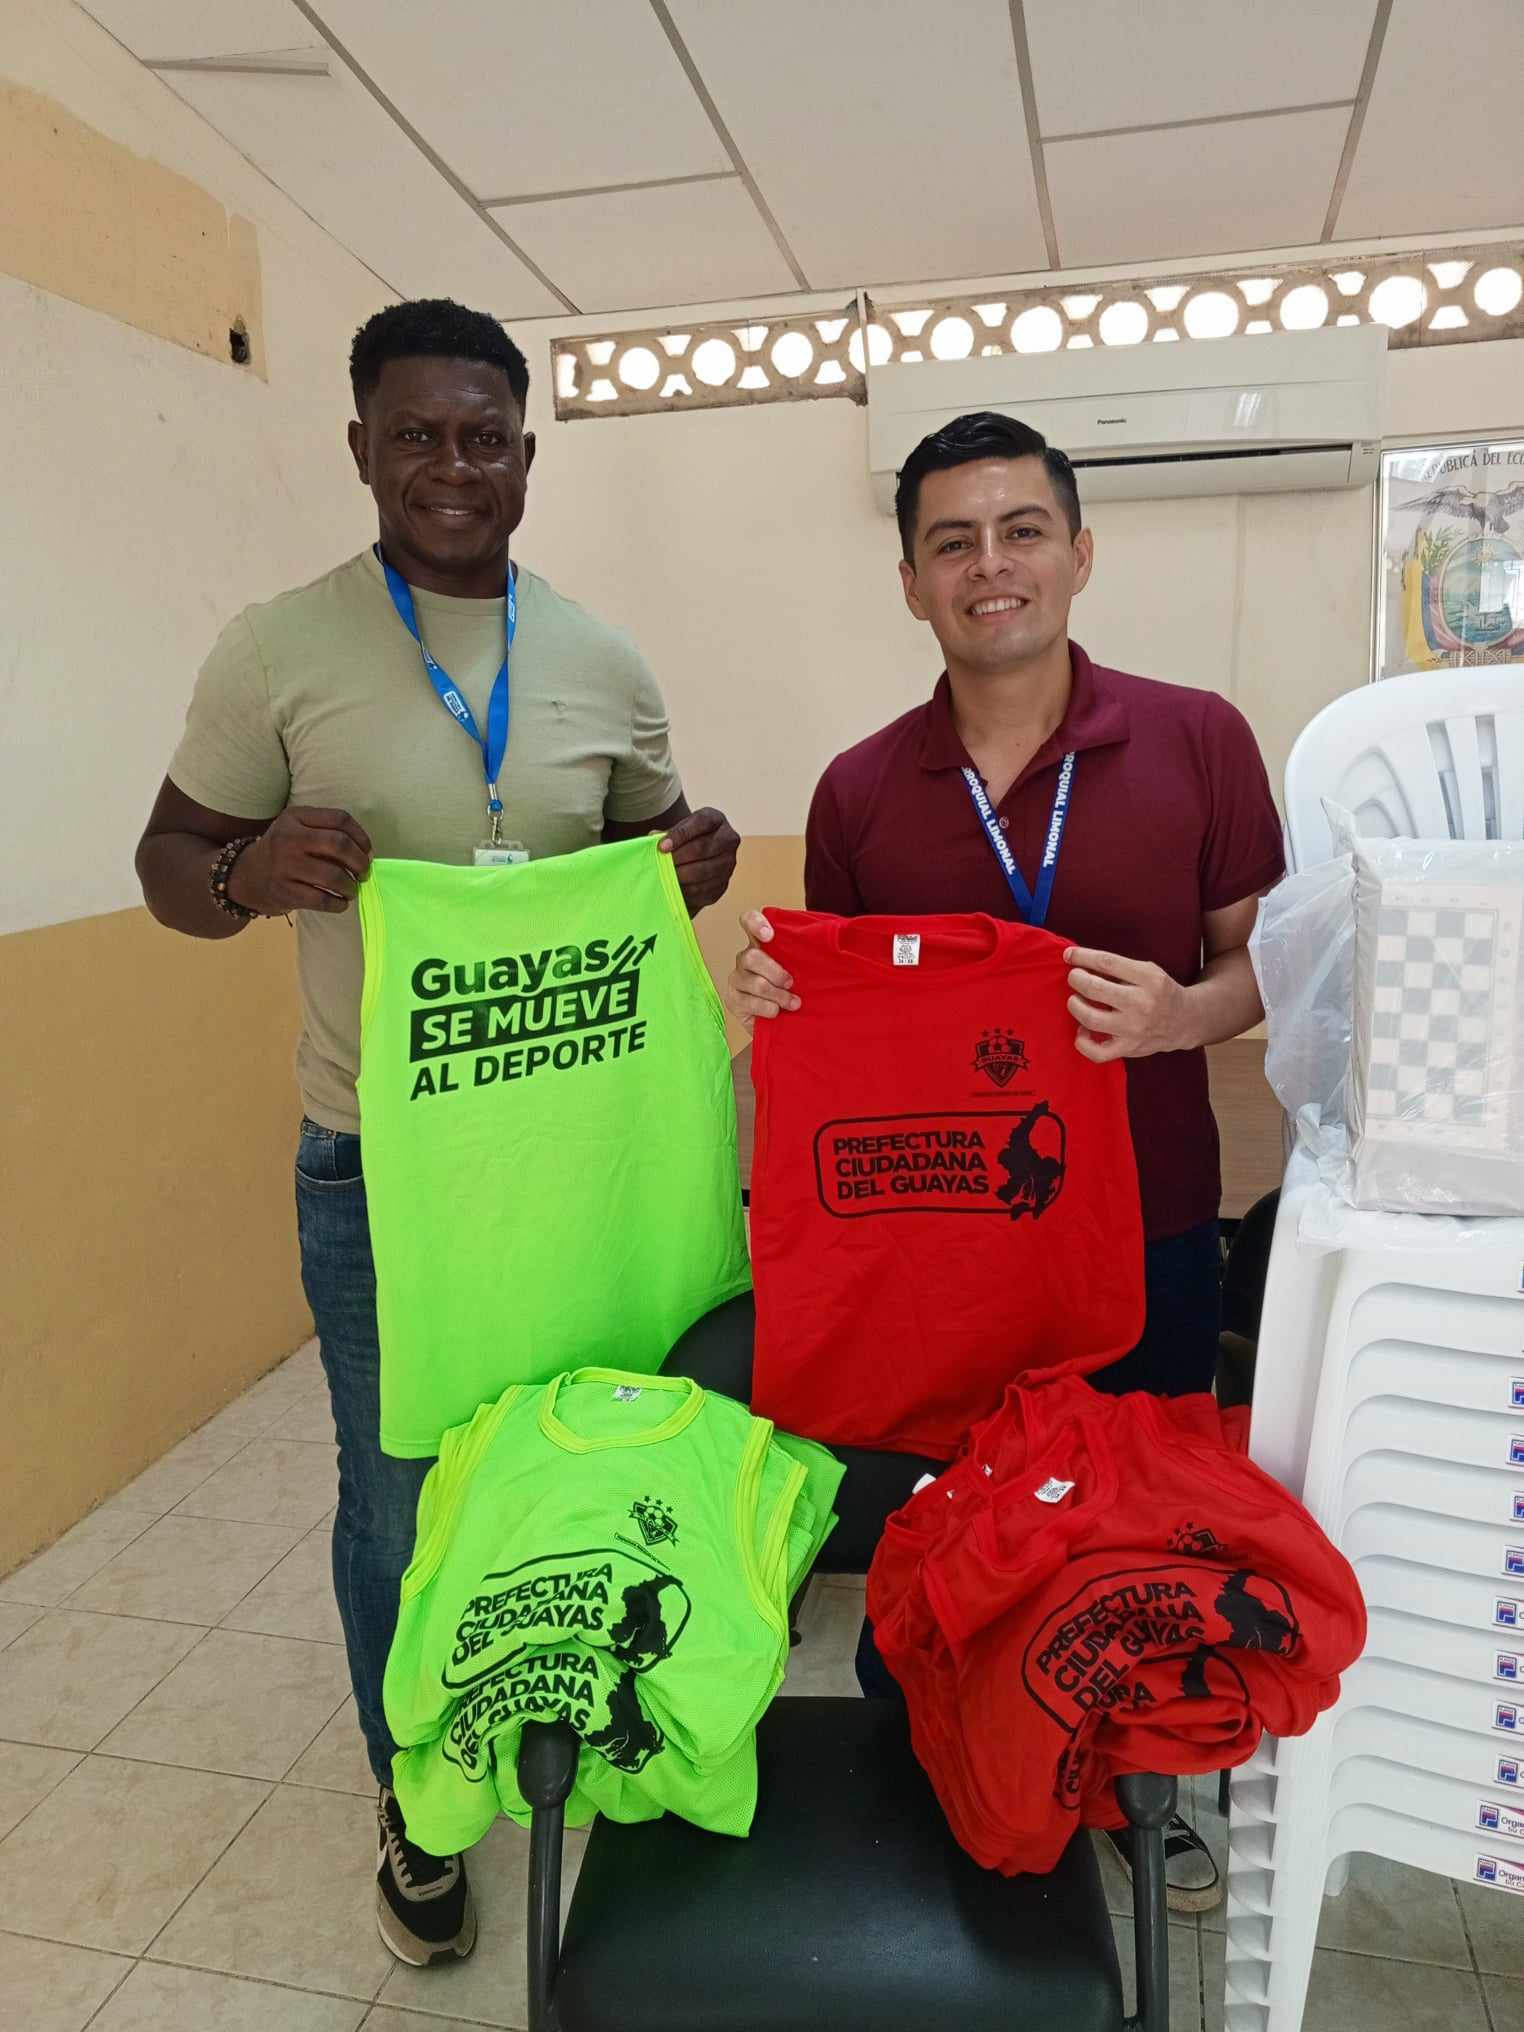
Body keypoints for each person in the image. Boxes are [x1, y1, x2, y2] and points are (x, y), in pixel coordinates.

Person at [136, 298, 739, 1968]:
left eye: (483, 437)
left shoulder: (602, 660)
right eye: (416, 434)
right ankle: (418, 1790)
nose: (452, 466)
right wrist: (248, 871)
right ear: (361, 449)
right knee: (399, 1497)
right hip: (378, 1167)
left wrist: (695, 865)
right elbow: (168, 864)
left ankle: (585, 1727)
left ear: (527, 458)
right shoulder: (277, 650)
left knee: (584, 1466)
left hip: (577, 1155)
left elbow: (652, 854)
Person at [726, 410, 1284, 1912]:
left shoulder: (1198, 739)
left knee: (1133, 1531)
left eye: (1022, 530)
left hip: (1148, 1225)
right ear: (912, 581)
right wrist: (778, 996)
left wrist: (1180, 1017)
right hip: (938, 1255)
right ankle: (934, 1776)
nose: (992, 565)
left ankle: (1138, 1789)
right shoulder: (859, 789)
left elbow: (1271, 970)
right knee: (941, 1528)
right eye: (953, 541)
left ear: (1079, 553)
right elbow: (839, 1019)